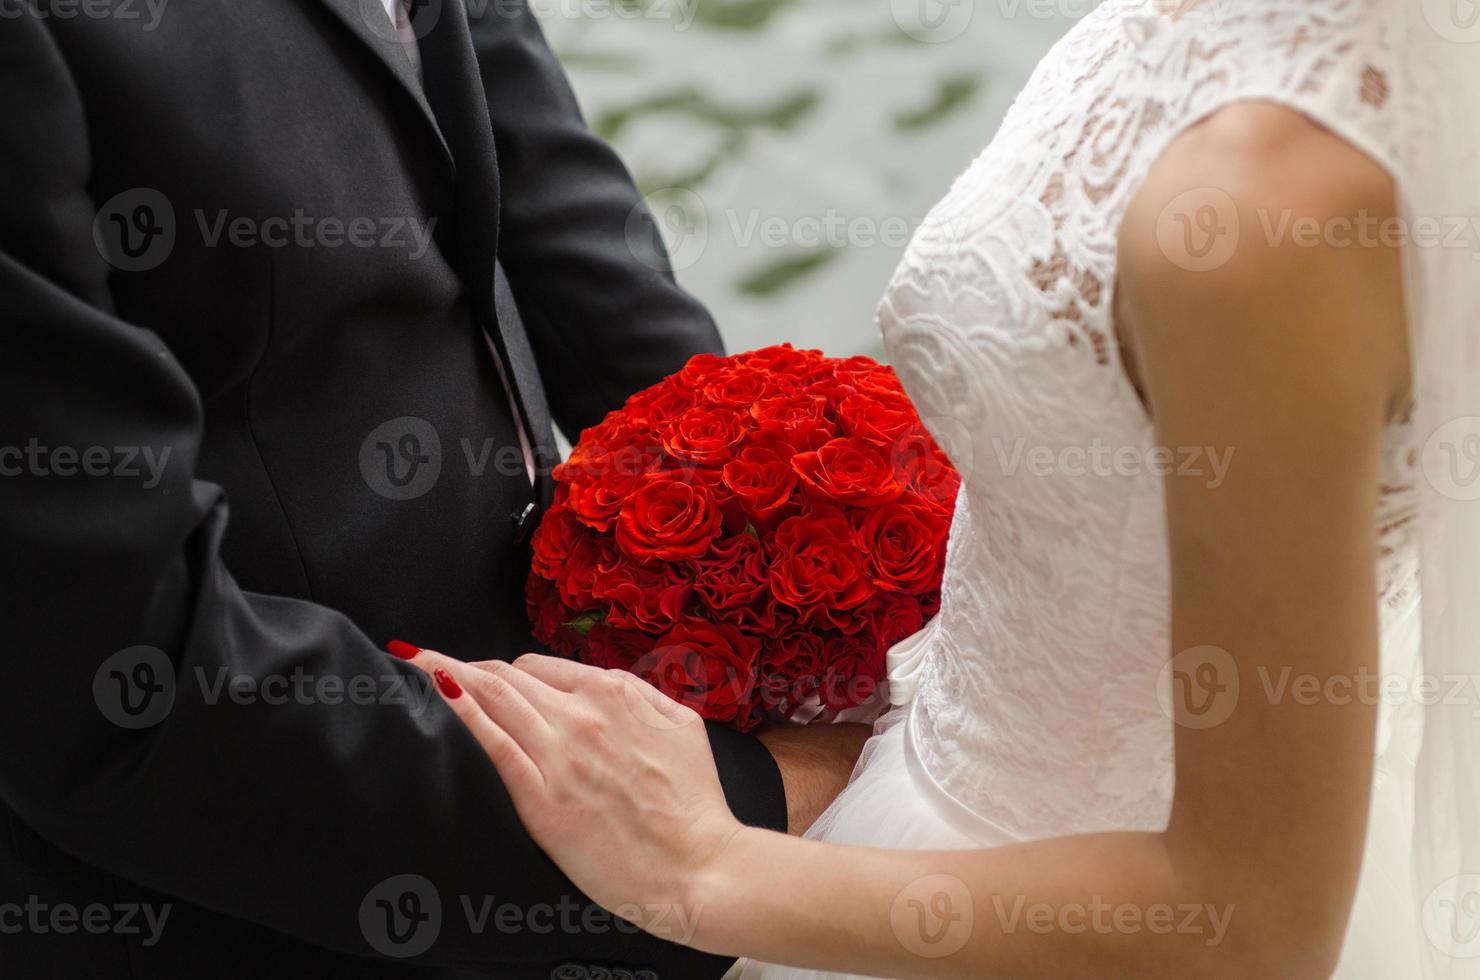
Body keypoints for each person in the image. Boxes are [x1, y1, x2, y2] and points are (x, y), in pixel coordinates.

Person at [409, 0, 1480, 977]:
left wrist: (703, 868)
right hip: (922, 743)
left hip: (1010, 884)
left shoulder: (1267, 207)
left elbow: (1251, 920)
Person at [0, 1, 865, 977]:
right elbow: (110, 671)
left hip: (612, 730)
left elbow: (528, 164)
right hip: (283, 893)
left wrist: (776, 524)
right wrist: (725, 815)